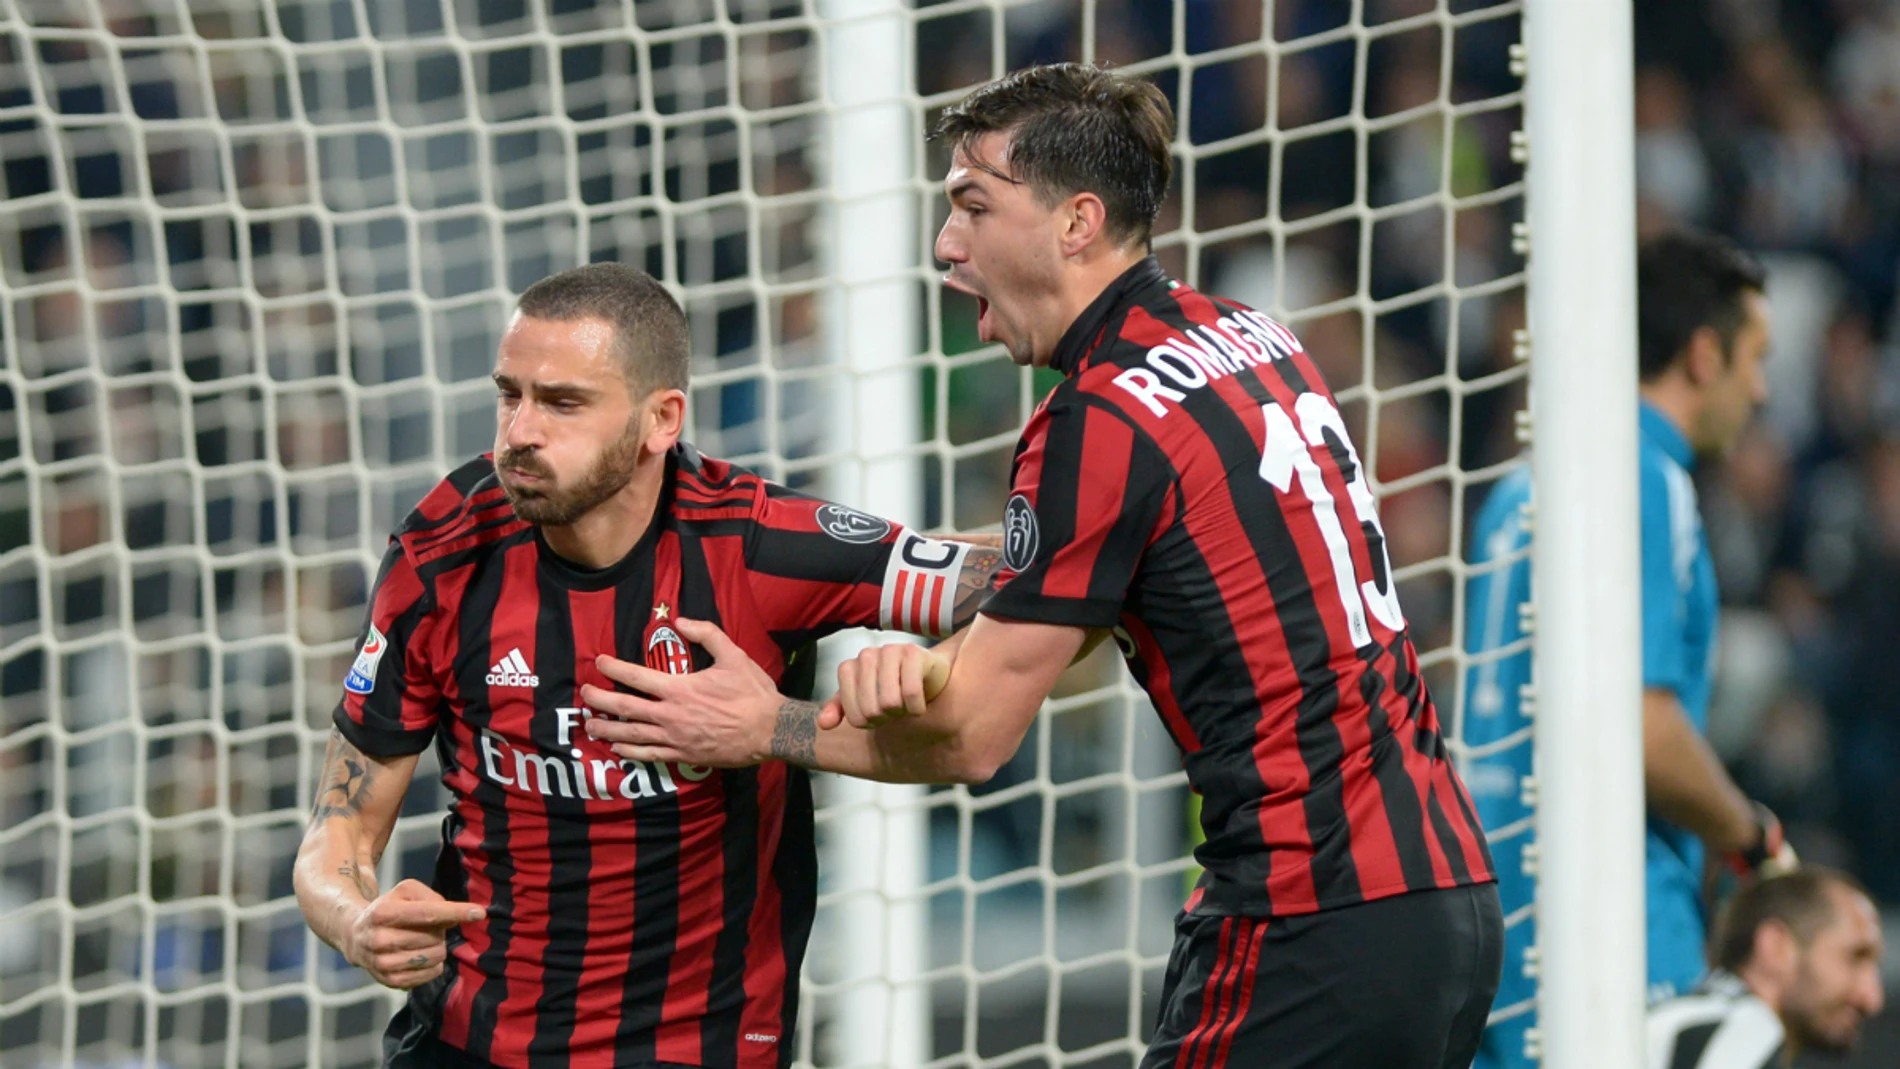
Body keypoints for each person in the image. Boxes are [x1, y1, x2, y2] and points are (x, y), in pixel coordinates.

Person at [584, 63, 1501, 1068]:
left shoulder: (1099, 416)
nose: (947, 243)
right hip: (1443, 897)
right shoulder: (1251, 337)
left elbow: (973, 736)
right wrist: (926, 647)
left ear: (1076, 222)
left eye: (975, 205)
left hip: (1311, 916)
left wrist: (763, 724)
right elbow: (1112, 585)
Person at [291, 262, 1004, 1069]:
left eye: (562, 402)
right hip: (469, 1041)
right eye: (509, 394)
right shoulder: (443, 552)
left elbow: (1044, 585)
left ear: (661, 419)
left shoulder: (754, 545)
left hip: (697, 1047)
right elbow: (336, 830)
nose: (519, 431)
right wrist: (355, 920)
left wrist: (914, 672)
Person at [1463, 231, 1795, 1069]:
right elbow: (1640, 726)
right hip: (1607, 917)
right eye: (1756, 359)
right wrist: (1750, 835)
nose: (1761, 390)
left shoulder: (1517, 487)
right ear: (1704, 354)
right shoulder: (1644, 479)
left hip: (1488, 911)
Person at [1646, 868, 1884, 1068]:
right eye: (1855, 957)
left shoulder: (1692, 1022)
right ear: (1776, 947)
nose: (1872, 999)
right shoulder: (1742, 1028)